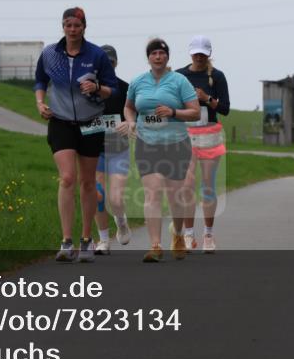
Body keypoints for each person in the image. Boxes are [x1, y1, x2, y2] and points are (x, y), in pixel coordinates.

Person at [34, 7, 117, 263]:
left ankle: (86, 239)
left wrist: (96, 87)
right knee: (68, 178)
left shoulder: (96, 55)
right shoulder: (50, 53)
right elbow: (39, 81)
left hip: (90, 122)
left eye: (77, 26)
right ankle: (66, 241)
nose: (72, 30)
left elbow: (112, 89)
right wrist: (39, 103)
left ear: (84, 27)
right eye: (68, 25)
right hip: (60, 121)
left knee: (88, 182)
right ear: (62, 26)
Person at [125, 38, 201, 262]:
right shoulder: (138, 81)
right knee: (153, 192)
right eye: (154, 53)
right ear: (148, 58)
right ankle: (155, 245)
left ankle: (177, 235)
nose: (158, 57)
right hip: (147, 142)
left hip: (176, 143)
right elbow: (129, 107)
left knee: (176, 196)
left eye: (162, 53)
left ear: (168, 57)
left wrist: (173, 112)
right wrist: (130, 122)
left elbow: (195, 112)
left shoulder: (180, 81)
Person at [175, 35, 230, 254]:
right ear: (190, 52)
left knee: (207, 186)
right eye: (195, 52)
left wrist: (207, 98)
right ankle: (189, 235)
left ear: (208, 54)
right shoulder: (179, 75)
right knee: (187, 186)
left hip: (209, 134)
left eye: (202, 53)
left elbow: (224, 108)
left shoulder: (217, 76)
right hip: (185, 134)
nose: (198, 56)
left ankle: (208, 233)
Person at [92, 45, 132, 255]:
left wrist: (129, 123)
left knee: (115, 198)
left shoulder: (125, 88)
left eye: (111, 61)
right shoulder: (89, 89)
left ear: (116, 63)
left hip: (118, 148)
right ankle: (103, 240)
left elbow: (133, 115)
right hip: (94, 149)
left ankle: (121, 221)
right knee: (98, 195)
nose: (108, 65)